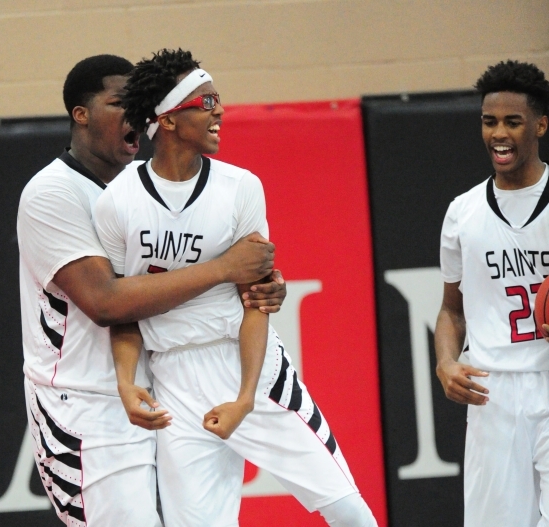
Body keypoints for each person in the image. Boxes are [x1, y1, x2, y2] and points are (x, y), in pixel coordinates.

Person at [94, 48, 377, 527]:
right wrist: (126, 382)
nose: (219, 110)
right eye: (205, 102)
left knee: (350, 512)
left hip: (249, 368)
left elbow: (258, 301)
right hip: (173, 381)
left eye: (218, 99)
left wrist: (246, 397)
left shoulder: (241, 188)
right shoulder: (118, 200)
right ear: (166, 119)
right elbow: (124, 311)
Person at [17, 54, 287, 527]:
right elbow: (105, 302)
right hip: (86, 406)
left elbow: (192, 274)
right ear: (81, 114)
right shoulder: (51, 193)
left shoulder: (141, 188)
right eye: (119, 102)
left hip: (160, 389)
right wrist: (226, 268)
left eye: (140, 103)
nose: (136, 115)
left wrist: (261, 285)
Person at [435, 60, 549, 526]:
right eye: (489, 121)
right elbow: (450, 311)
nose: (498, 133)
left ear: (541, 124)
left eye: (512, 121)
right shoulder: (462, 212)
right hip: (492, 392)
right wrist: (445, 362)